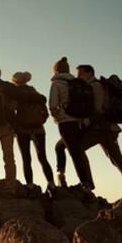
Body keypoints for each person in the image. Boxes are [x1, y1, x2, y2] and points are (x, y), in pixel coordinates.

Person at [55, 65, 122, 191]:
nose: (78, 77)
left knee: (77, 149)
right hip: (105, 129)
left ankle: (87, 183)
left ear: (89, 73)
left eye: (80, 74)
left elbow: (98, 110)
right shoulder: (91, 87)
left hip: (101, 128)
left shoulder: (95, 86)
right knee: (117, 159)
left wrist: (86, 121)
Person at [0, 67, 44, 187]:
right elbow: (23, 96)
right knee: (9, 158)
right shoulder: (6, 87)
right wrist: (41, 98)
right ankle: (10, 186)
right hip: (6, 127)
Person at [49, 57, 94, 191]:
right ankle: (63, 175)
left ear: (55, 71)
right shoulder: (77, 82)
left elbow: (52, 105)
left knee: (75, 153)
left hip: (66, 123)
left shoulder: (56, 83)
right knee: (64, 148)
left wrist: (57, 116)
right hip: (80, 122)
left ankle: (85, 183)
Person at [10, 71, 55, 191]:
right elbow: (45, 113)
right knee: (43, 157)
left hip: (22, 130)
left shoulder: (16, 94)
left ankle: (30, 185)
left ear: (15, 82)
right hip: (39, 129)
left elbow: (12, 109)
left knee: (26, 158)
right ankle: (51, 184)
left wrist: (15, 125)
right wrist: (40, 122)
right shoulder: (36, 94)